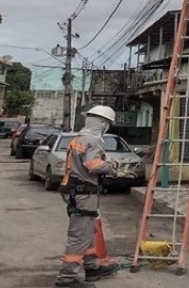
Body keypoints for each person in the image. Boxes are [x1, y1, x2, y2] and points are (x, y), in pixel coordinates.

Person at [53, 105, 134, 288]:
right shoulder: (93, 141)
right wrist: (111, 167)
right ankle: (66, 279)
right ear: (104, 124)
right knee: (80, 235)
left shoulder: (80, 138)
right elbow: (93, 165)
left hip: (77, 191)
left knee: (89, 231)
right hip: (84, 192)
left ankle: (91, 267)